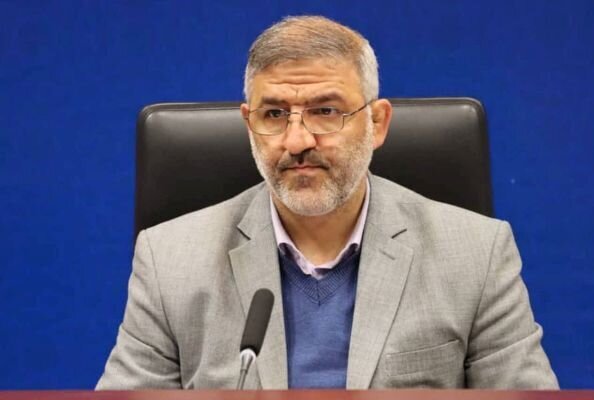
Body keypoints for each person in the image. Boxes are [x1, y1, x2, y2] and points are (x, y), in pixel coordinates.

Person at [97, 15, 558, 390]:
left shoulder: (476, 254)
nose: (297, 140)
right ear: (248, 124)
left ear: (377, 124)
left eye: (325, 111)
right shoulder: (170, 260)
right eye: (274, 114)